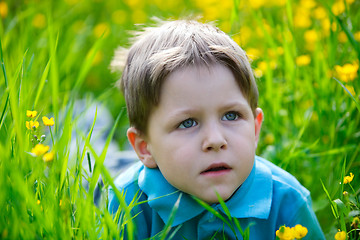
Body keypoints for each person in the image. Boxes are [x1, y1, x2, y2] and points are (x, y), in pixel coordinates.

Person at [108, 19, 325, 239]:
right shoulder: (128, 203)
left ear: (255, 129)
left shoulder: (286, 202)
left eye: (231, 116)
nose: (215, 140)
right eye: (187, 122)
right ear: (145, 148)